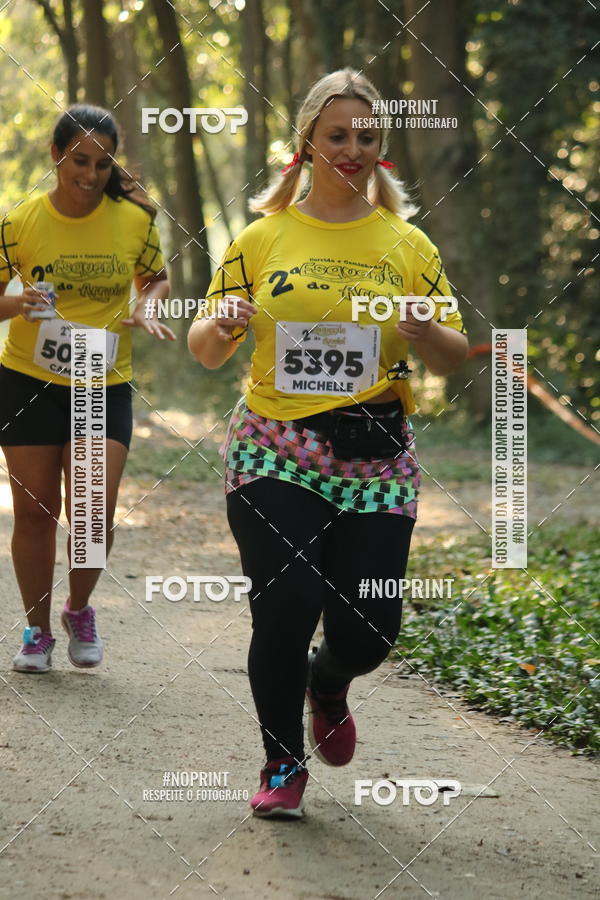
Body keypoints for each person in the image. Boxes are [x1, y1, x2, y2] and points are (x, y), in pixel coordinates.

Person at [188, 69, 468, 818]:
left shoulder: (409, 244)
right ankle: (282, 764)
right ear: (307, 142)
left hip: (376, 452)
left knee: (369, 629)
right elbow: (204, 346)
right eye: (336, 135)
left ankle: (331, 679)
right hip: (276, 445)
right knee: (285, 604)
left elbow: (450, 355)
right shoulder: (263, 237)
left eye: (366, 137)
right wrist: (222, 326)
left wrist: (425, 331)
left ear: (383, 147)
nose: (351, 149)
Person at [0, 104, 175, 674]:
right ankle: (37, 630)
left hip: (103, 381)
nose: (90, 175)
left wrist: (147, 306)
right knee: (34, 512)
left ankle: (79, 610)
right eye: (79, 161)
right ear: (56, 156)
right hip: (28, 378)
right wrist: (16, 303)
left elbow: (156, 276)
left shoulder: (134, 220)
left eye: (102, 164)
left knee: (93, 511)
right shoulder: (20, 221)